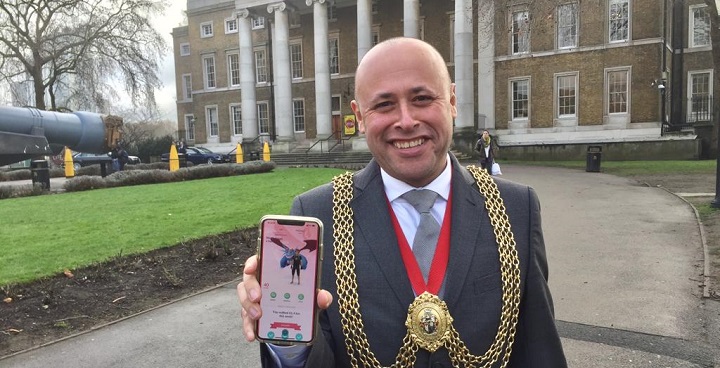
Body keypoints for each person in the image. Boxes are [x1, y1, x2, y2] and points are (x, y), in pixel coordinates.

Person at [237, 37, 567, 367]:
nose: (406, 121)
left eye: (422, 98)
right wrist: (289, 338)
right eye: (384, 105)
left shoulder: (515, 208)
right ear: (360, 116)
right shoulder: (317, 214)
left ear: (451, 100)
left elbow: (540, 350)